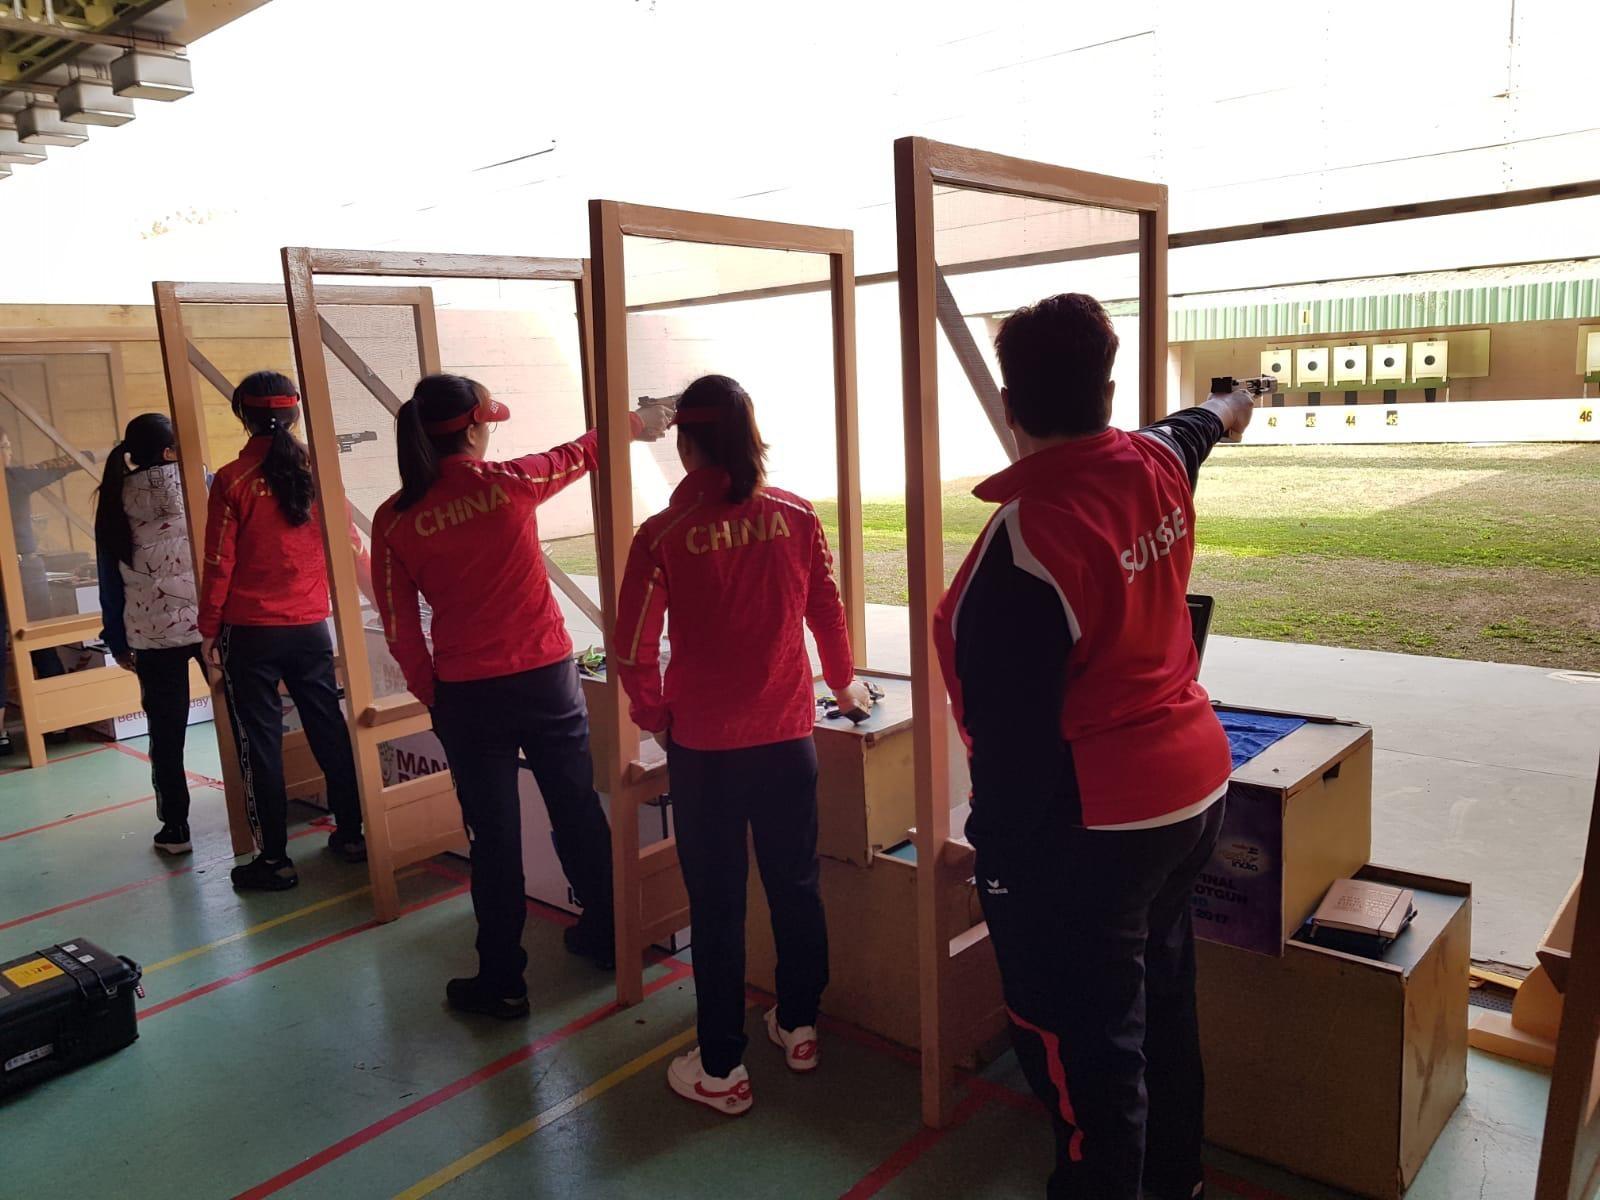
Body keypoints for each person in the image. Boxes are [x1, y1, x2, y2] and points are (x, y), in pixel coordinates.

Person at [933, 293, 1254, 1199]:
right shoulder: (1154, 457)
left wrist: (997, 866)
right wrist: (1236, 405)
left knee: (1084, 1051)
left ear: (1009, 404)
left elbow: (1015, 759)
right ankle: (1175, 1180)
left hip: (1098, 824)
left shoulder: (1022, 551)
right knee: (1158, 1004)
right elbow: (1204, 422)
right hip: (1191, 792)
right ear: (1109, 391)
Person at [612, 374, 874, 1116]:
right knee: (796, 887)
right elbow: (828, 608)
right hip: (789, 738)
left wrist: (655, 712)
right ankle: (798, 1026)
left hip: (706, 750)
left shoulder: (661, 534)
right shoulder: (794, 514)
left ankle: (722, 1066)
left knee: (718, 905)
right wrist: (845, 681)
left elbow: (633, 649)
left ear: (687, 445)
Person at [371, 373, 671, 1018]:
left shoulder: (396, 519)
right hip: (544, 677)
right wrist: (643, 420)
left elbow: (399, 627)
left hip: (466, 695)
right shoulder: (509, 483)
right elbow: (587, 448)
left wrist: (437, 698)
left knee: (494, 839)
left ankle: (503, 980)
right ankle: (609, 937)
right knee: (576, 810)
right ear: (474, 429)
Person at [199, 370, 367, 892]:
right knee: (329, 730)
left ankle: (273, 860)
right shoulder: (320, 474)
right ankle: (354, 834)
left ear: (243, 415)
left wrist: (208, 630)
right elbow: (349, 546)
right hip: (312, 628)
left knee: (260, 743)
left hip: (250, 633)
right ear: (295, 413)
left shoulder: (231, 480)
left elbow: (218, 563)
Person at [94, 413, 204, 854]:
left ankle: (175, 828)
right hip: (209, 626)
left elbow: (109, 578)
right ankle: (253, 816)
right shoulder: (201, 482)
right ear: (168, 450)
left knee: (166, 732)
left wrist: (116, 640)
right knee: (240, 720)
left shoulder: (113, 498)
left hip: (149, 635)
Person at [0, 431, 87, 754]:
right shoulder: (14, 478)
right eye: (7, 446)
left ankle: (6, 736)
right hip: (24, 571)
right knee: (41, 643)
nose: (10, 452)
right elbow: (62, 464)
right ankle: (59, 723)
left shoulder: (15, 477)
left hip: (22, 570)